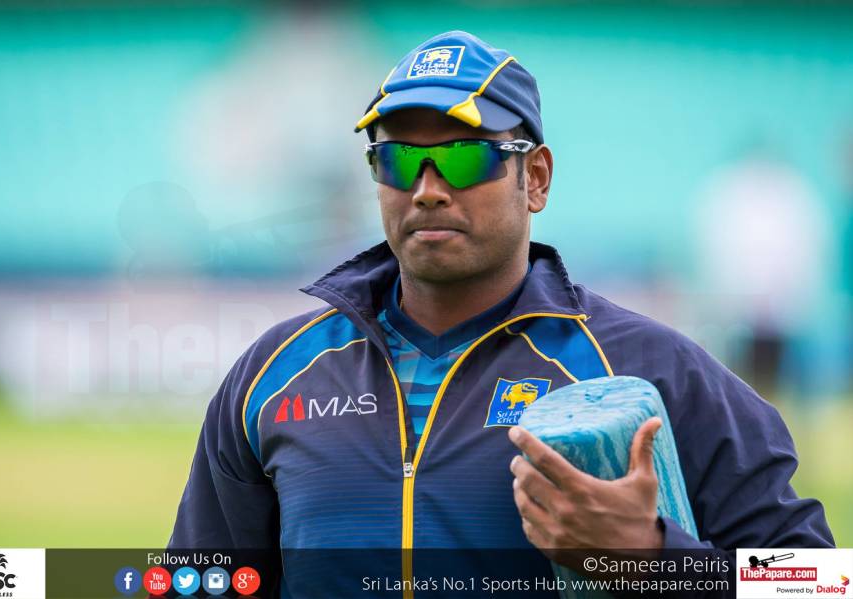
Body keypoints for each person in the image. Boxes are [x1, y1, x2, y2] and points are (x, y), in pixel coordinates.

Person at [169, 31, 834, 597]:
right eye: (398, 159)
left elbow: (816, 580)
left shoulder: (650, 369)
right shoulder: (276, 374)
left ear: (535, 178)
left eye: (464, 157)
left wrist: (652, 559)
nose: (427, 189)